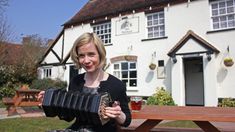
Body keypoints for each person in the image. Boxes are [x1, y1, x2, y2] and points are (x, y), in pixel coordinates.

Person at [38, 32, 131, 131]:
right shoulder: (76, 81)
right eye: (82, 56)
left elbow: (127, 121)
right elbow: (69, 116)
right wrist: (50, 102)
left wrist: (118, 114)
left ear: (100, 54)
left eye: (91, 54)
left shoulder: (116, 85)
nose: (86, 60)